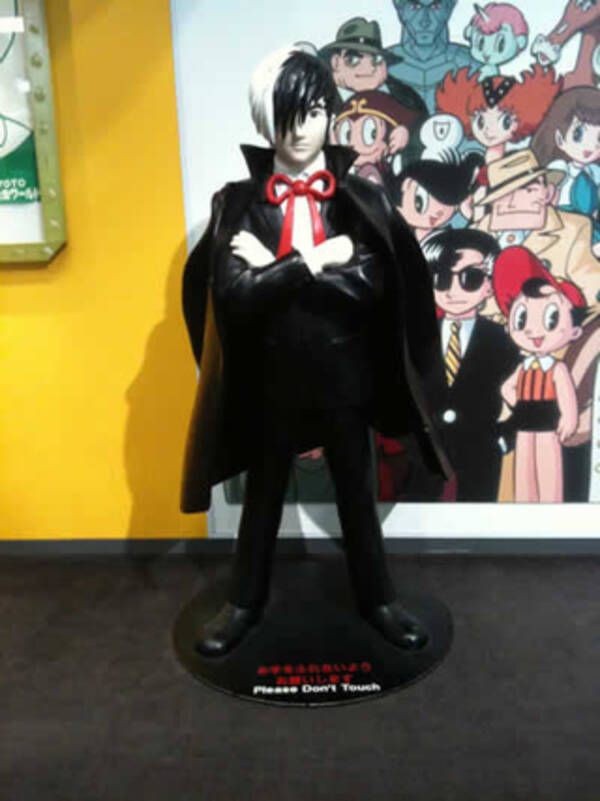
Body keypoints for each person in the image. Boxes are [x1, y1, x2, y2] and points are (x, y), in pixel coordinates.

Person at [181, 47, 451, 656]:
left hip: (344, 377)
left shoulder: (360, 200)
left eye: (311, 113)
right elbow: (235, 295)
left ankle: (378, 599)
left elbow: (370, 285)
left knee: (357, 495)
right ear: (263, 120)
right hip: (270, 380)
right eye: (285, 116)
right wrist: (315, 260)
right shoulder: (236, 203)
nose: (300, 130)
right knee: (262, 499)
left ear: (329, 114)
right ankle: (243, 602)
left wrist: (275, 269)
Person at [422, 228, 520, 500]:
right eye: (441, 278)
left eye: (470, 278)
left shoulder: (503, 340)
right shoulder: (419, 337)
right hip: (424, 459)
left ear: (489, 284)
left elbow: (522, 396)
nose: (453, 291)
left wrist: (503, 439)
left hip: (481, 456)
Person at [494, 247, 586, 502]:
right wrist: (520, 405)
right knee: (524, 466)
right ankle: (525, 503)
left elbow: (566, 396)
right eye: (522, 319)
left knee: (548, 467)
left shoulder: (557, 368)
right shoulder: (523, 366)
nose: (533, 331)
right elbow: (507, 387)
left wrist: (569, 419)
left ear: (575, 332)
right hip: (525, 423)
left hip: (548, 423)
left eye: (551, 319)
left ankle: (549, 505)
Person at [474, 149, 600, 316]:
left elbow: (591, 286)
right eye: (505, 194)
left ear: (547, 192)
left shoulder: (572, 228)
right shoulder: (477, 233)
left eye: (529, 189)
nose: (515, 201)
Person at [531, 87, 600, 255]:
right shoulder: (559, 169)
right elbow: (549, 195)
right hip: (565, 225)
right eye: (578, 135)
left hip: (589, 227)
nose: (590, 147)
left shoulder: (593, 172)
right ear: (560, 138)